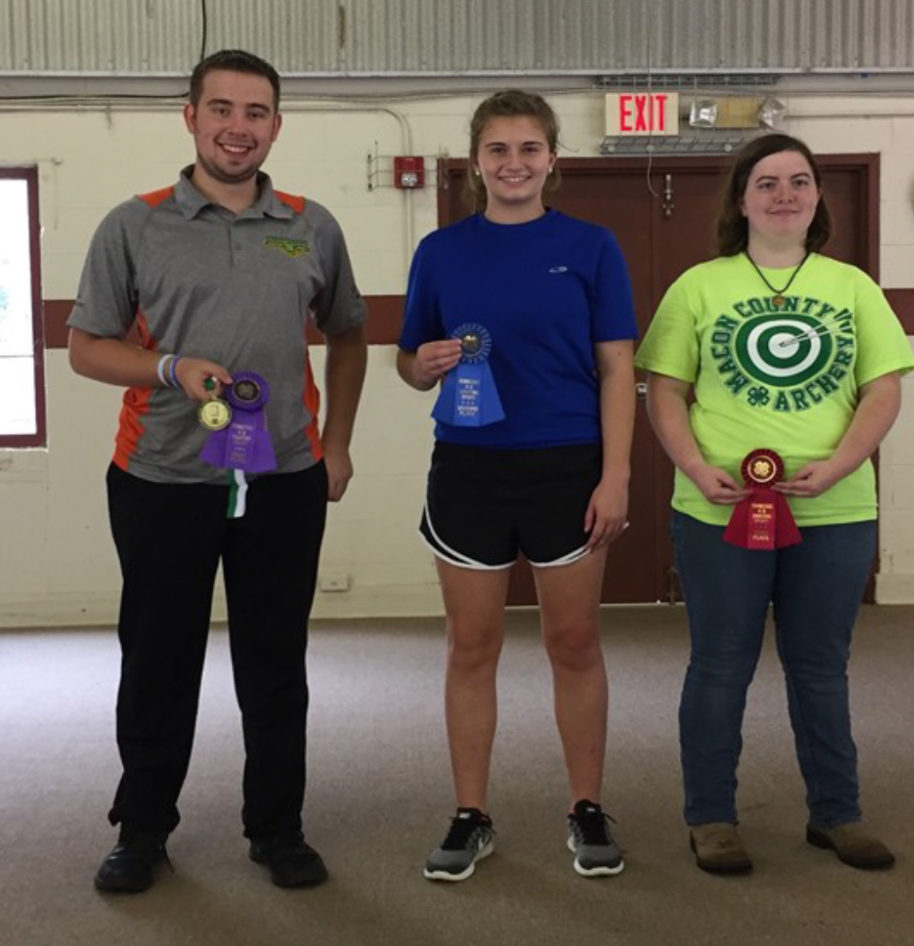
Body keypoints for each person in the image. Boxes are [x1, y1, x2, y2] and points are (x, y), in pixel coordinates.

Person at [67, 49, 367, 892]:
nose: (240, 127)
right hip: (161, 478)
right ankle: (143, 830)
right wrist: (168, 369)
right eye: (223, 109)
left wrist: (336, 443)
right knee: (158, 658)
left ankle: (277, 829)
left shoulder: (311, 223)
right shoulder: (136, 223)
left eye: (257, 112)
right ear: (190, 117)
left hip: (284, 478)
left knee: (275, 661)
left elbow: (348, 335)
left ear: (277, 124)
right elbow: (86, 348)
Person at [635, 133, 914, 875]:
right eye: (767, 182)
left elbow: (883, 388)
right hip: (717, 507)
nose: (784, 194)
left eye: (798, 181)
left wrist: (839, 464)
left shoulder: (854, 287)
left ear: (818, 197)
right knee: (720, 665)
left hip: (836, 508)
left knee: (821, 667)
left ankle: (837, 814)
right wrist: (693, 466)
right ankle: (711, 818)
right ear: (741, 200)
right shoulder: (699, 286)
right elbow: (664, 388)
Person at [397, 90, 637, 881]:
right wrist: (422, 364)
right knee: (473, 647)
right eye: (498, 150)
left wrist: (616, 475)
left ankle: (586, 806)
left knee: (574, 643)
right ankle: (471, 813)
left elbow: (615, 369)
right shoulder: (440, 251)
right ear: (477, 162)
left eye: (529, 149)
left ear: (553, 160)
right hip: (468, 472)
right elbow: (407, 363)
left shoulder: (593, 246)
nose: (513, 164)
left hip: (567, 468)